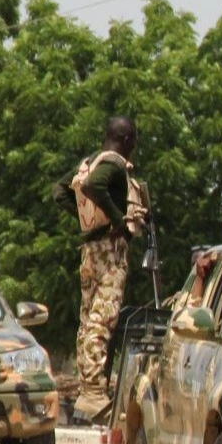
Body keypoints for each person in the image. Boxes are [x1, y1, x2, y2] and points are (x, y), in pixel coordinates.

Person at [70, 116, 147, 421]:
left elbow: (62, 192)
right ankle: (92, 392)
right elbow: (94, 186)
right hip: (109, 252)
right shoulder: (113, 165)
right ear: (127, 140)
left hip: (90, 250)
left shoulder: (90, 162)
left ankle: (87, 389)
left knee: (88, 318)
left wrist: (89, 221)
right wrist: (119, 222)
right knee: (103, 319)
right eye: (134, 142)